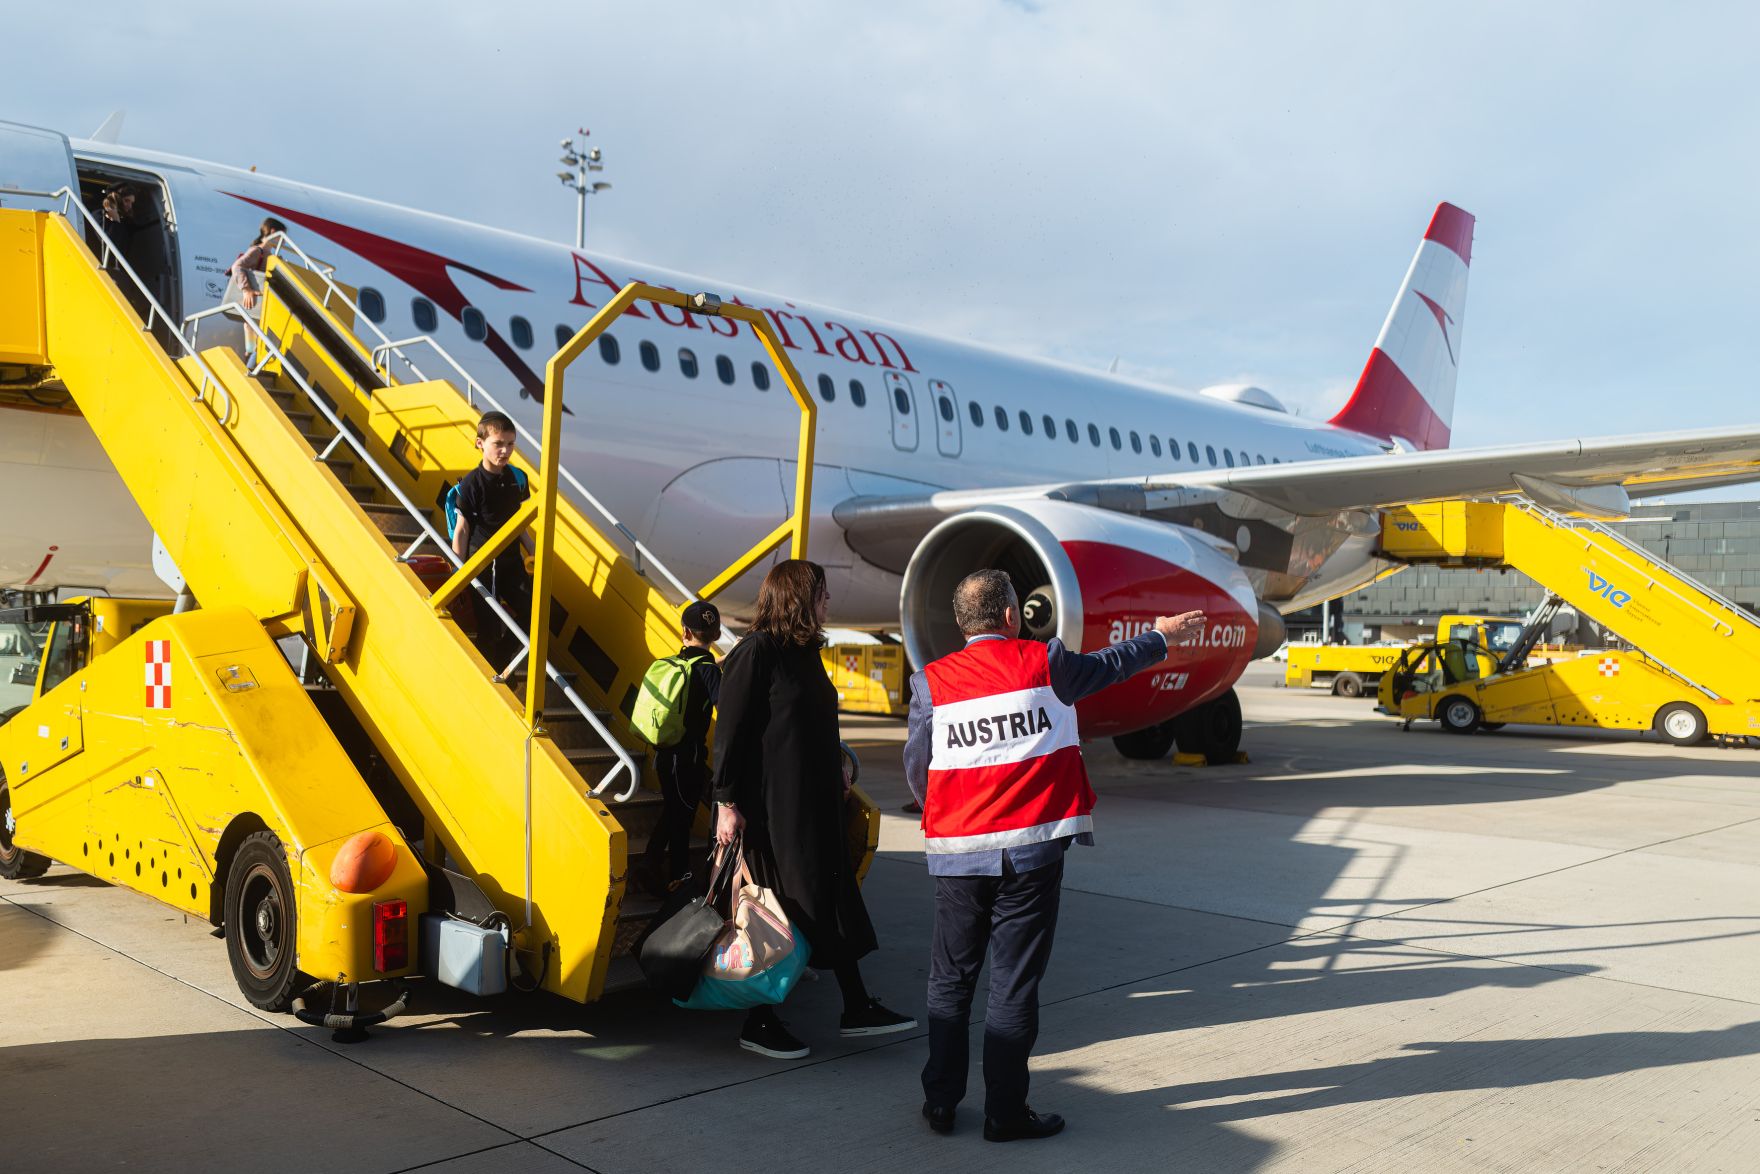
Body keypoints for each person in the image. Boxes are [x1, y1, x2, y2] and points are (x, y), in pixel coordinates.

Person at [904, 569, 1205, 1141]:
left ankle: (940, 1102)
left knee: (950, 981)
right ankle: (1004, 1113)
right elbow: (1113, 665)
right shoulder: (1047, 663)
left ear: (963, 624)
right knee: (1011, 986)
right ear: (1012, 617)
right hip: (1030, 856)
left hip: (959, 855)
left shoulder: (930, 682)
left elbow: (919, 768)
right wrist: (1161, 635)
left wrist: (947, 813)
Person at [712, 559, 916, 1059]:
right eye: (821, 594)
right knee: (783, 908)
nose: (828, 602)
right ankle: (758, 1020)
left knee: (830, 898)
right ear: (799, 597)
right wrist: (725, 803)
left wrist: (839, 763)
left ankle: (856, 1005)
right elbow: (730, 734)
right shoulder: (757, 652)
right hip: (774, 811)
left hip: (816, 804)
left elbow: (811, 723)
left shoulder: (804, 652)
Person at [640, 599, 723, 893]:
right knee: (681, 818)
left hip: (665, 756)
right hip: (687, 758)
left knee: (674, 811)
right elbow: (723, 706)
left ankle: (649, 868)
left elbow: (700, 672)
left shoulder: (678, 662)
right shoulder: (709, 671)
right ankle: (680, 878)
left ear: (684, 632)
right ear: (716, 635)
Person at [450, 411, 533, 668]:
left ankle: (501, 659)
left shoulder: (517, 478)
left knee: (532, 613)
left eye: (510, 444)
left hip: (511, 561)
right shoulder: (472, 484)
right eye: (498, 443)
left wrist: (534, 553)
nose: (505, 451)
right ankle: (488, 675)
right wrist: (457, 571)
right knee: (488, 626)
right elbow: (462, 529)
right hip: (483, 563)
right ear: (480, 443)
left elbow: (520, 524)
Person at [224, 217, 288, 313]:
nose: (284, 242)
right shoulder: (257, 251)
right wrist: (246, 290)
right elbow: (237, 266)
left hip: (261, 302)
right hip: (252, 302)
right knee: (249, 324)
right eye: (282, 237)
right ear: (273, 232)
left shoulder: (272, 256)